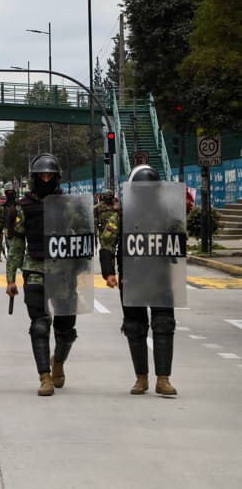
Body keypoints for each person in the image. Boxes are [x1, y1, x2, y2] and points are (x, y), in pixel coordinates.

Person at [100, 165, 181, 396]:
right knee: (135, 327)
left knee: (164, 324)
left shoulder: (167, 214)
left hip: (160, 277)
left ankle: (163, 379)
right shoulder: (122, 215)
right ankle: (141, 378)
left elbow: (178, 240)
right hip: (132, 278)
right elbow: (107, 244)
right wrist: (109, 273)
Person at [5, 153, 78, 396]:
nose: (46, 179)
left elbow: (82, 238)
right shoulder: (24, 207)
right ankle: (44, 377)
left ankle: (58, 362)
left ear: (56, 178)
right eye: (41, 175)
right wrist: (10, 278)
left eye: (50, 175)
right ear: (35, 178)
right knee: (39, 325)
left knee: (66, 328)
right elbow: (16, 244)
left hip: (63, 272)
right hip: (34, 268)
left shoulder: (68, 205)